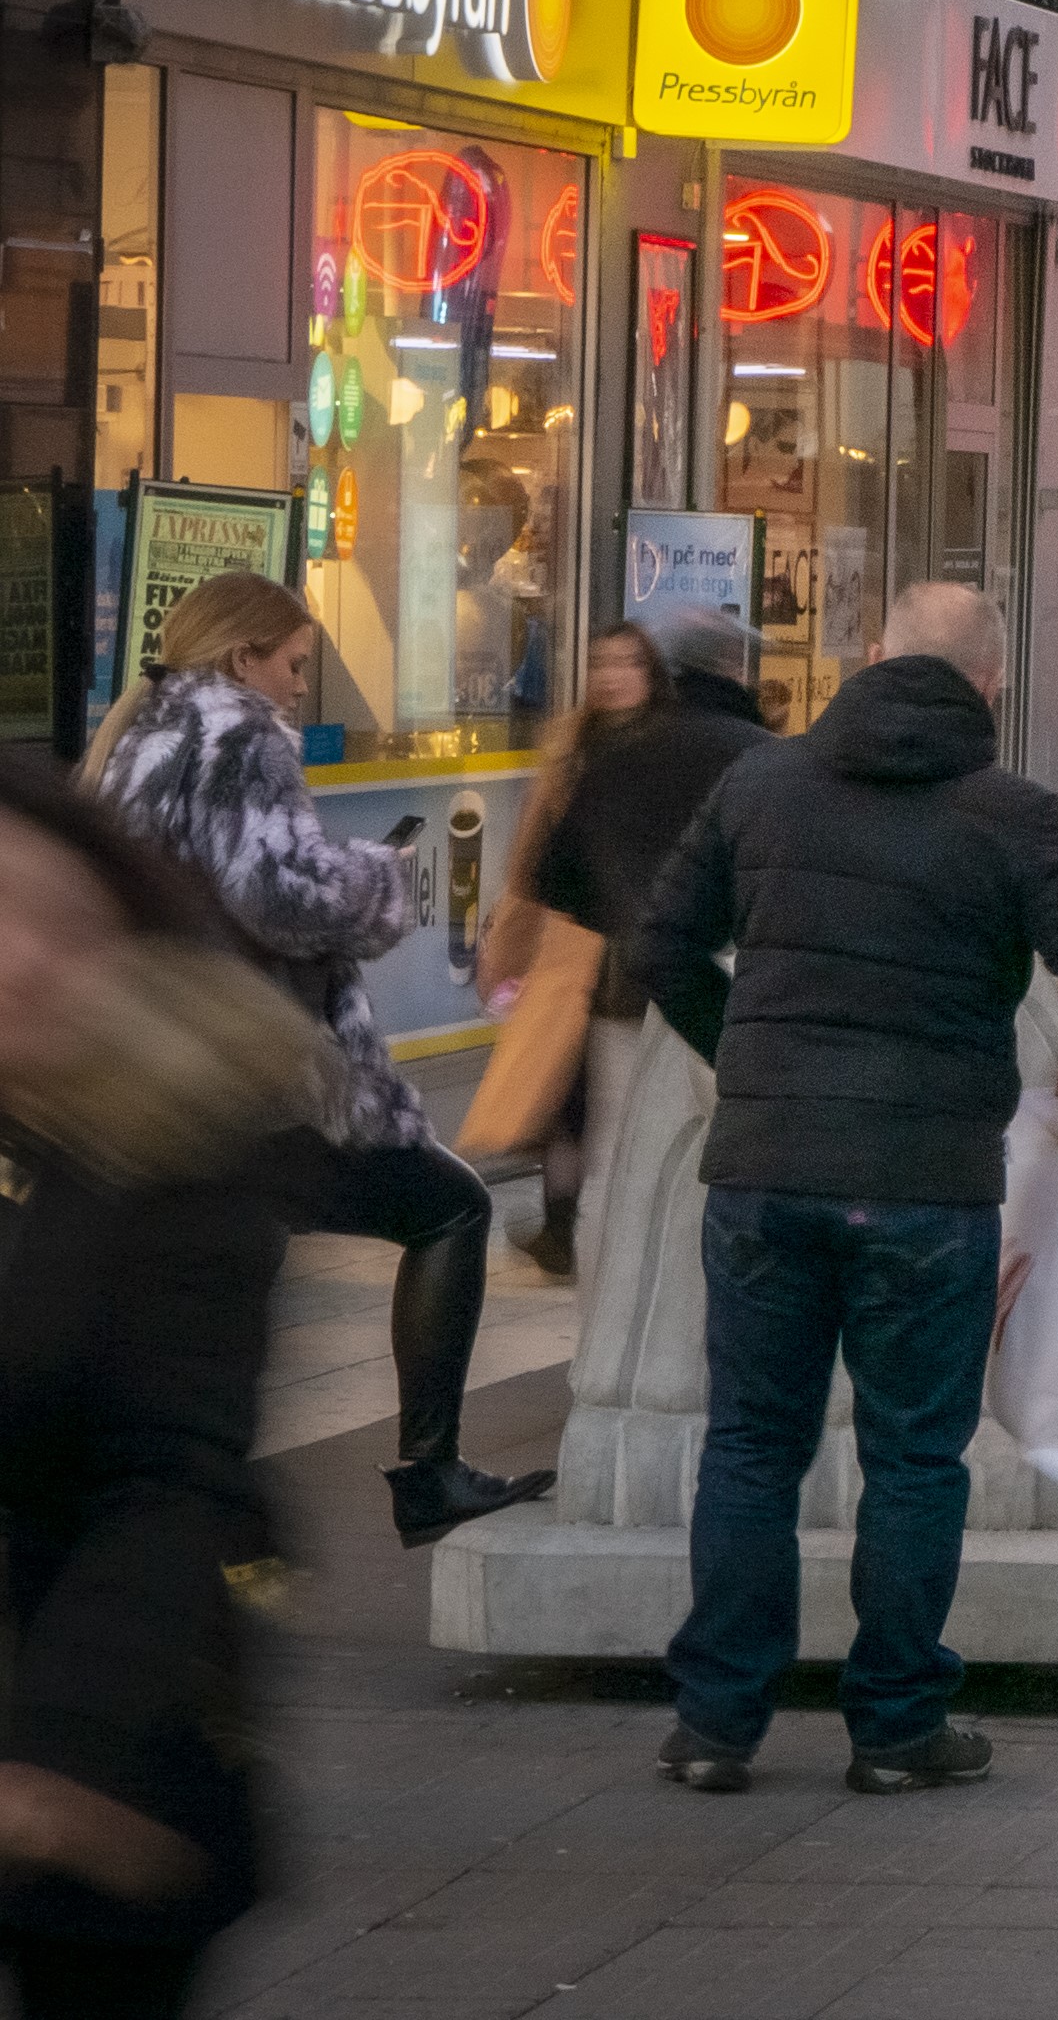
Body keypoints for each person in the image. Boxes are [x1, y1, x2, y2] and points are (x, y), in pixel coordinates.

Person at [632, 585, 1058, 1799]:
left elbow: (659, 943)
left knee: (750, 1447)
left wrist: (744, 1054)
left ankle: (715, 1726)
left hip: (765, 1172)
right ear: (992, 683)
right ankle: (894, 1727)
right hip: (927, 1185)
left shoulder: (760, 784)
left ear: (869, 657)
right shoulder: (1016, 816)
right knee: (916, 1458)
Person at [85, 573, 551, 1551]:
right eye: (295, 664)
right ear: (244, 656)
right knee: (452, 1209)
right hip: (260, 1072)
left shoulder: (141, 732)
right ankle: (426, 1474)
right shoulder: (239, 733)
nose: (301, 686)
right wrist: (378, 879)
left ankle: (176, 1497)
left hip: (171, 1071)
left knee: (220, 1286)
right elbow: (278, 897)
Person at [0, 756, 324, 2020]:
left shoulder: (177, 1153)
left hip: (104, 1748)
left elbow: (172, 1479)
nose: (24, 960)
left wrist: (61, 1761)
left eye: (62, 926)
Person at [506, 605, 781, 1278]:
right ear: (733, 668)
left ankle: (611, 1313)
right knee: (726, 1158)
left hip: (628, 992)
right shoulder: (765, 759)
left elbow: (553, 876)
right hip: (736, 994)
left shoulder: (615, 756)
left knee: (619, 1160)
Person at [475, 619, 671, 1276]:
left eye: (627, 663)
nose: (611, 676)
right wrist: (506, 948)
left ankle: (602, 1227)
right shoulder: (569, 750)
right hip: (570, 947)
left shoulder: (669, 749)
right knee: (568, 1098)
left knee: (615, 1100)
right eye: (601, 663)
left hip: (636, 955)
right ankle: (563, 1227)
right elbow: (530, 863)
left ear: (651, 673)